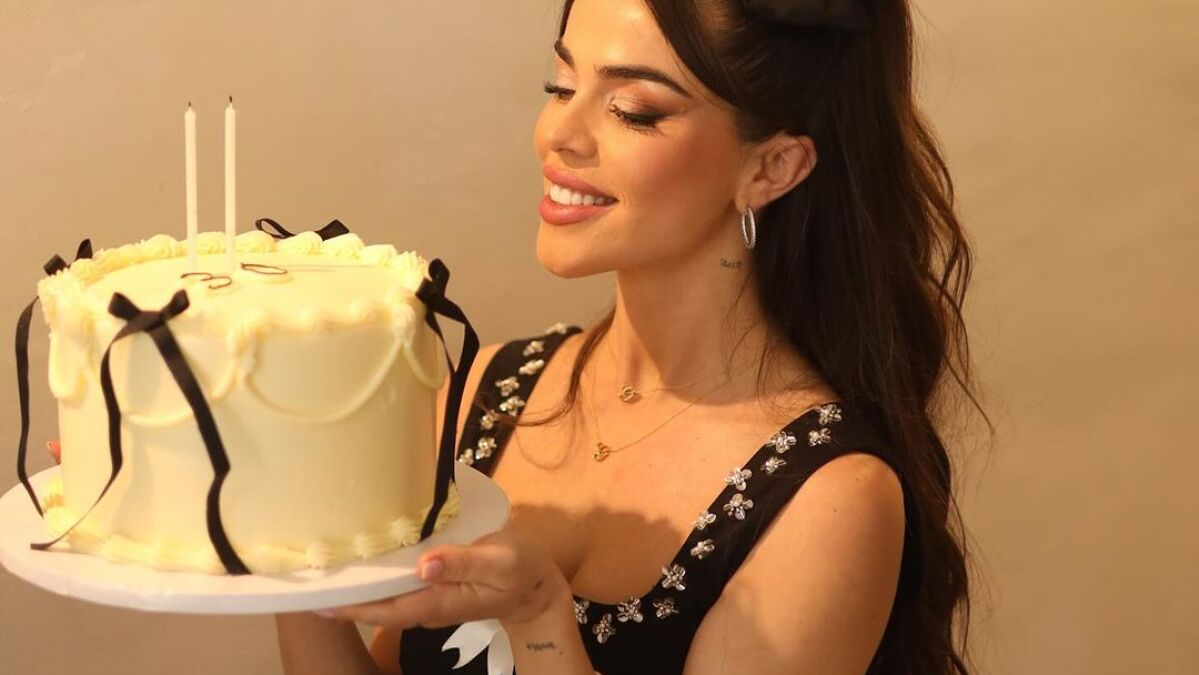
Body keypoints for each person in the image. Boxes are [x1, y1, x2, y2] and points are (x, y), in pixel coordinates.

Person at [271, 0, 981, 672]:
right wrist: (283, 552)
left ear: (772, 167)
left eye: (633, 110)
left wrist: (539, 618)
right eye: (561, 86)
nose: (559, 134)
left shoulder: (830, 500)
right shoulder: (481, 394)